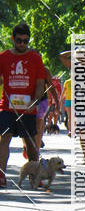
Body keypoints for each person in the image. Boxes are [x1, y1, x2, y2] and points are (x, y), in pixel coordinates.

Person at [0, 22, 46, 189]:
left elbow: (40, 83)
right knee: (4, 139)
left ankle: (36, 175)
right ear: (13, 39)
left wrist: (35, 101)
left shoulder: (35, 58)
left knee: (30, 143)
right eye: (19, 40)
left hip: (28, 108)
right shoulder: (3, 57)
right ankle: (1, 175)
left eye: (26, 41)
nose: (22, 44)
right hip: (7, 108)